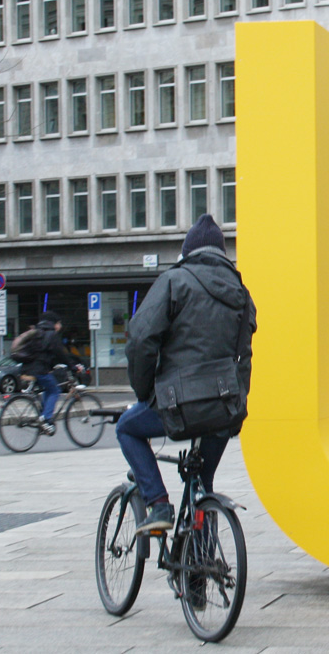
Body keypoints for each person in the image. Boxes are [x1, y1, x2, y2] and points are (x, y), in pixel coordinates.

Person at [116, 215, 256, 534]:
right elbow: (244, 358)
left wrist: (144, 395)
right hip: (225, 407)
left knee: (127, 428)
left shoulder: (173, 281)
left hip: (177, 407)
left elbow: (140, 340)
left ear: (187, 252)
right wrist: (237, 404)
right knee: (202, 487)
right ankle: (198, 577)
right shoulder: (241, 294)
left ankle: (159, 503)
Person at [26, 311, 84, 435]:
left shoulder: (37, 333)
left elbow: (45, 353)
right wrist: (73, 367)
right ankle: (46, 419)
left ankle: (43, 415)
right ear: (54, 323)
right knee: (55, 391)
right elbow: (61, 354)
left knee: (48, 388)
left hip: (29, 368)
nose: (60, 326)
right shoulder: (51, 335)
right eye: (59, 323)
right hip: (40, 369)